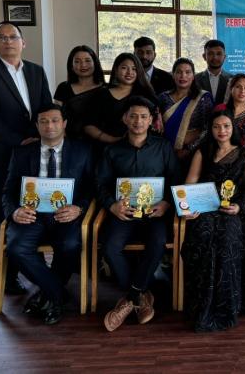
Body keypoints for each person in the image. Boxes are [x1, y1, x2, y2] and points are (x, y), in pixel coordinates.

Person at [0, 21, 52, 295]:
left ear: (23, 42)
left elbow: (45, 107)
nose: (8, 41)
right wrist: (18, 140)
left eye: (13, 37)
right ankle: (6, 275)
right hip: (5, 151)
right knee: (2, 211)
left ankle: (34, 265)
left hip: (35, 151)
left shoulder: (36, 71)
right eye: (1, 37)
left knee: (34, 206)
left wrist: (41, 138)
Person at [2, 104, 93, 324]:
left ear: (64, 124)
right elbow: (8, 191)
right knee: (16, 248)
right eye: (43, 121)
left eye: (54, 120)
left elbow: (92, 188)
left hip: (66, 215)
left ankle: (47, 294)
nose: (49, 126)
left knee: (70, 245)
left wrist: (79, 208)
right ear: (37, 125)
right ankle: (56, 294)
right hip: (32, 215)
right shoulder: (22, 153)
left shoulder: (83, 151)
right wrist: (14, 212)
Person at [96, 97, 180, 332]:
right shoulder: (112, 150)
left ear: (151, 120)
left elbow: (176, 179)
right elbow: (100, 185)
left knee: (157, 243)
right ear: (125, 119)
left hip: (154, 213)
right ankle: (141, 295)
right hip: (124, 213)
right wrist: (112, 205)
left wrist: (166, 203)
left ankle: (130, 297)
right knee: (110, 247)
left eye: (143, 116)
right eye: (133, 116)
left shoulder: (163, 147)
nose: (138, 121)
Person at [181, 109, 245, 331]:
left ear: (232, 128)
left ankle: (227, 308)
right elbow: (190, 182)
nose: (222, 131)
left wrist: (239, 207)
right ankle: (202, 306)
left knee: (227, 240)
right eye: (216, 126)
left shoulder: (244, 154)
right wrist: (187, 206)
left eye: (226, 126)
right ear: (211, 129)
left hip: (231, 210)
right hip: (205, 209)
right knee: (204, 236)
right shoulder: (203, 152)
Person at [85, 53, 157, 148]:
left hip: (140, 148)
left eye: (134, 69)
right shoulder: (102, 94)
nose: (129, 72)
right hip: (106, 147)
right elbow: (88, 125)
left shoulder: (146, 95)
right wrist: (113, 140)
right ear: (116, 69)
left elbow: (155, 122)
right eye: (124, 68)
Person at [159, 58, 214, 168]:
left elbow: (208, 129)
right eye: (179, 72)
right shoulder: (163, 97)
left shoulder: (203, 98)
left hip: (193, 154)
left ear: (193, 76)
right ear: (173, 75)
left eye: (188, 72)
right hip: (165, 152)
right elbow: (157, 126)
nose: (183, 76)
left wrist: (188, 149)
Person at [53, 45, 105, 140]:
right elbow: (55, 115)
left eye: (87, 61)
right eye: (77, 61)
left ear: (95, 63)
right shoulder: (63, 87)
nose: (83, 65)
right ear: (71, 66)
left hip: (101, 140)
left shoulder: (106, 89)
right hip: (69, 139)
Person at [219, 73, 245, 157]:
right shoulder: (221, 109)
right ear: (231, 89)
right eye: (238, 87)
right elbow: (210, 134)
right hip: (221, 155)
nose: (242, 91)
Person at [195, 39, 231, 105]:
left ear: (224, 57)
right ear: (204, 56)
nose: (215, 57)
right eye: (210, 54)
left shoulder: (232, 80)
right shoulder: (195, 79)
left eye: (219, 54)